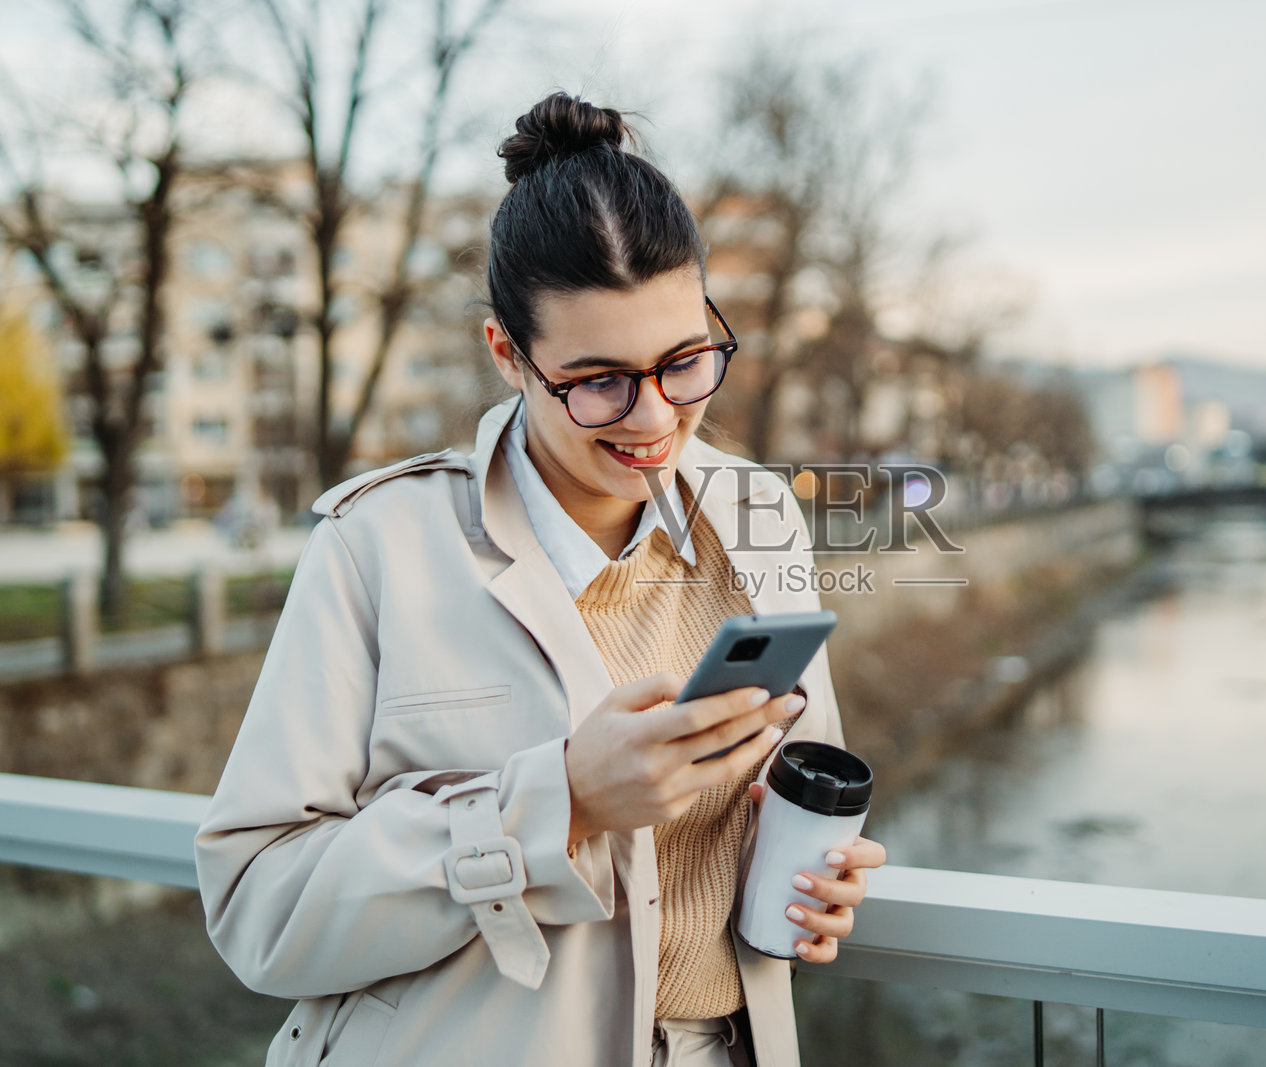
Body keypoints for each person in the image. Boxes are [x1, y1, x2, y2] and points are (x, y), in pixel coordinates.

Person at [195, 92, 886, 1067]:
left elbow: (801, 784)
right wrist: (560, 798)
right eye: (598, 379)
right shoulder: (378, 543)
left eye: (684, 359)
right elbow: (260, 909)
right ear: (507, 354)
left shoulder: (757, 513)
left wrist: (815, 871)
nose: (653, 417)